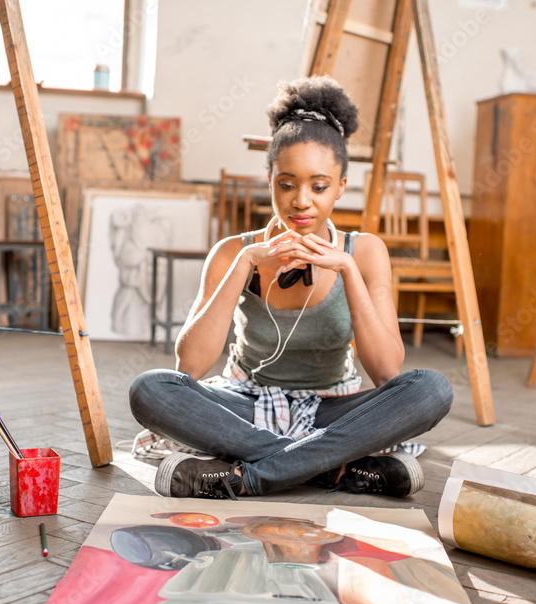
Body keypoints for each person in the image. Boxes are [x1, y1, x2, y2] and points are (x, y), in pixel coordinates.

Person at [129, 75, 453, 500]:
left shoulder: (366, 251)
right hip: (244, 408)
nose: (302, 200)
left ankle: (253, 476)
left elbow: (387, 371)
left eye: (319, 186)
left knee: (431, 390)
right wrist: (247, 262)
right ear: (270, 181)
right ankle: (331, 468)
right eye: (287, 184)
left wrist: (348, 271)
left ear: (340, 188)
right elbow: (189, 366)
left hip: (332, 411)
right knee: (149, 390)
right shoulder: (234, 252)